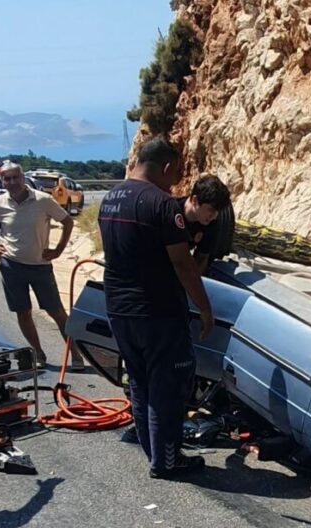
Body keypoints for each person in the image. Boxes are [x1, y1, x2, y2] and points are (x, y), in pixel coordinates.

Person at [98, 138, 229, 478]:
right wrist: (204, 308)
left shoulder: (110, 198)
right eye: (176, 172)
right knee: (167, 388)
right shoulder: (163, 204)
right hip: (156, 311)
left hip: (118, 308)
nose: (176, 180)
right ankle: (167, 461)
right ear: (167, 167)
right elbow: (183, 264)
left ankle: (153, 453)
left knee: (140, 383)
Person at [0, 161, 83, 369]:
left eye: (16, 177)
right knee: (23, 312)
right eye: (7, 178)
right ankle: (39, 354)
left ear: (23, 178)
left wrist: (58, 250)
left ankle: (76, 355)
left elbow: (67, 221)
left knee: (56, 312)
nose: (13, 182)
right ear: (2, 182)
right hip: (12, 266)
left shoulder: (43, 200)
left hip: (40, 266)